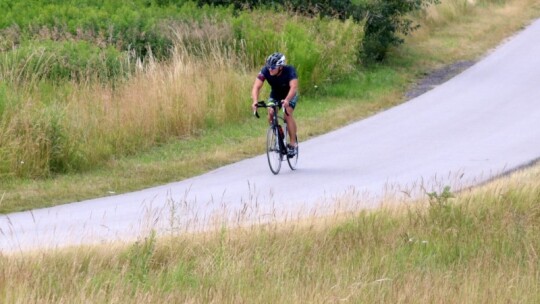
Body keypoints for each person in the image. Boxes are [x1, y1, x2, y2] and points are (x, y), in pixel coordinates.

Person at [251, 52, 299, 156]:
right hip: (275, 95)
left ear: (280, 67)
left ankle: (292, 144)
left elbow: (294, 87)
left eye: (273, 68)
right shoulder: (265, 70)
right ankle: (279, 134)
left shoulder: (290, 71)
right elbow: (256, 87)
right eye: (269, 67)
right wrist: (255, 101)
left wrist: (287, 100)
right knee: (271, 113)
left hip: (290, 94)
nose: (270, 70)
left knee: (287, 114)